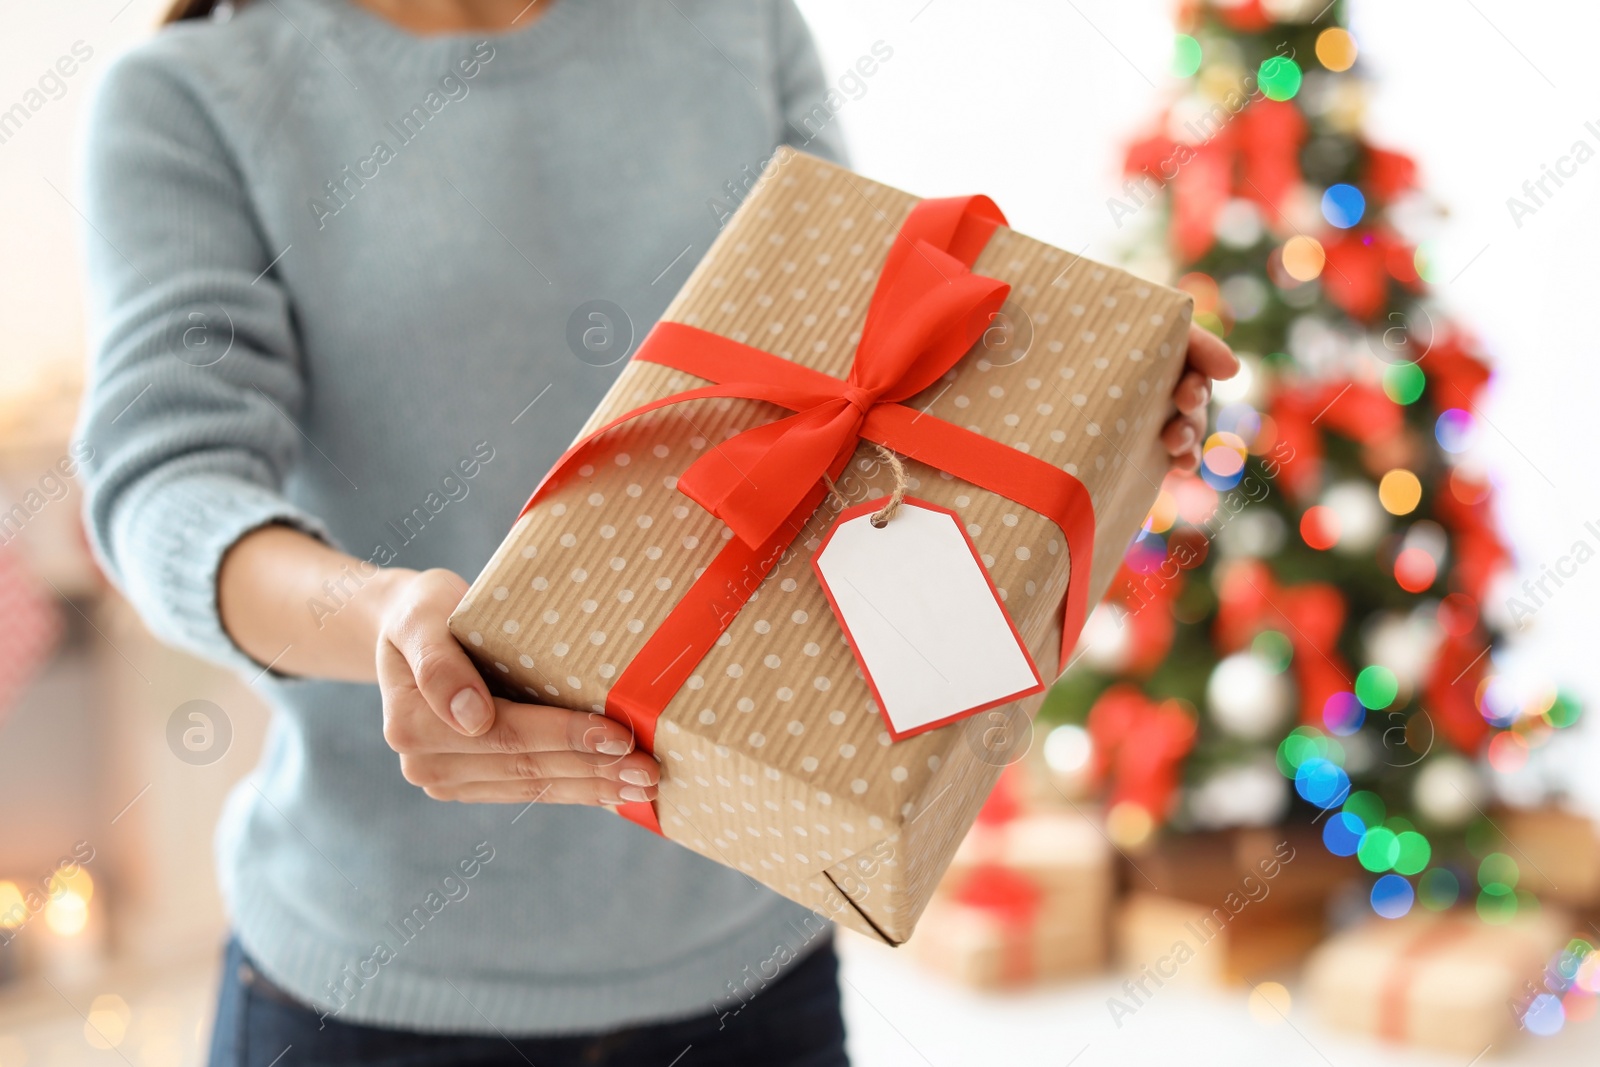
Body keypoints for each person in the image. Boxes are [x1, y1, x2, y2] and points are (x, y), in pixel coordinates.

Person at [75, 0, 1238, 1063]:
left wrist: (1099, 414)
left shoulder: (730, 24)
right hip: (376, 993)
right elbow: (166, 485)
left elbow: (848, 354)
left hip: (753, 969)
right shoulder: (190, 97)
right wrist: (380, 615)